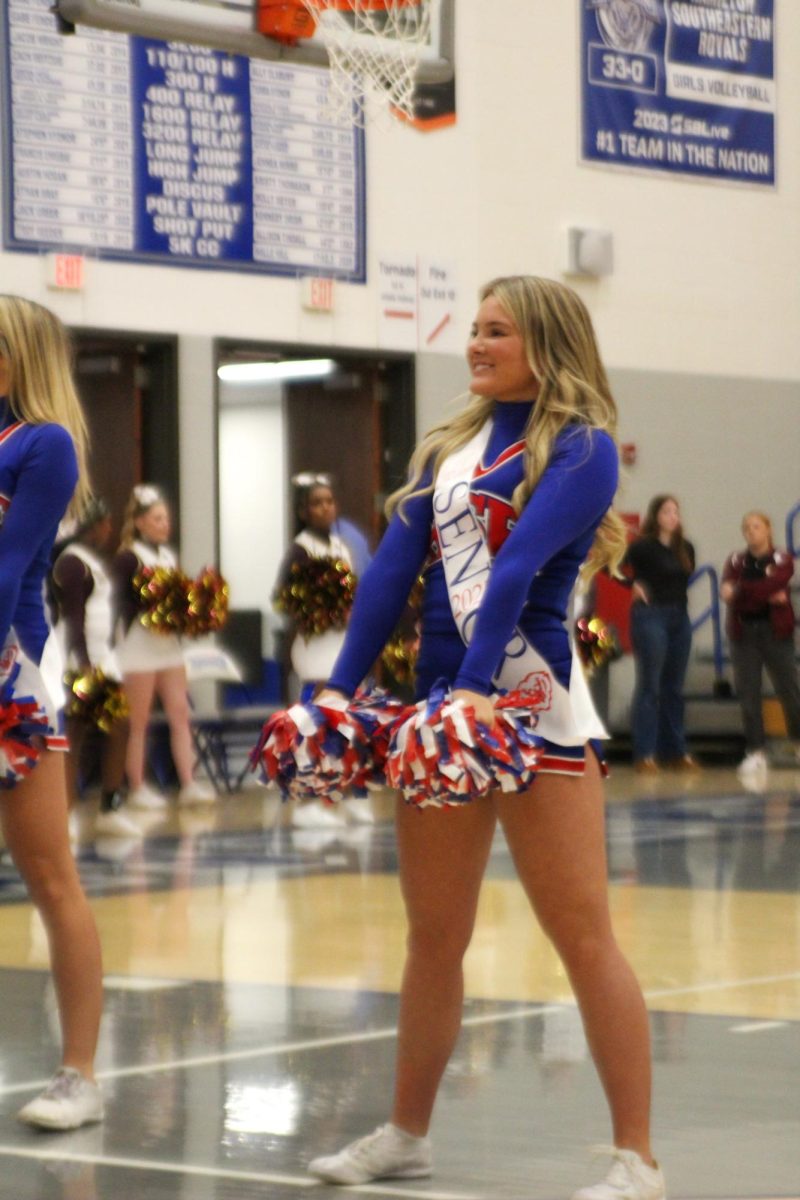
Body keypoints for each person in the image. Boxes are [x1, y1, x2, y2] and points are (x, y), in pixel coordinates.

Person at [307, 276, 665, 1200]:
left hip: (529, 708)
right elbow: (391, 574)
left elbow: (516, 569)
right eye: (473, 329)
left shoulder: (581, 449)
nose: (475, 343)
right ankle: (406, 1135)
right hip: (441, 715)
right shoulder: (450, 445)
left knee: (583, 937)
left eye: (495, 331)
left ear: (545, 345)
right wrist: (334, 695)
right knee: (433, 938)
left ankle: (639, 1159)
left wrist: (475, 691)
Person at [0, 295, 104, 1129]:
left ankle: (80, 1073)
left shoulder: (45, 444)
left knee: (49, 875)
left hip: (14, 673)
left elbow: (5, 572)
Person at [274, 476, 374, 827]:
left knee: (345, 722)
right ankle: (308, 800)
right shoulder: (299, 550)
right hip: (314, 647)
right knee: (315, 724)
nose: (325, 508)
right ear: (303, 511)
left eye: (329, 501)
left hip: (341, 645)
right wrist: (324, 612)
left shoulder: (341, 546)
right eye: (317, 503)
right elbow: (289, 602)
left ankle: (345, 793)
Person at [113, 485, 214, 809]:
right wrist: (151, 609)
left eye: (166, 519)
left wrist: (190, 612)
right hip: (137, 647)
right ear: (140, 522)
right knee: (138, 720)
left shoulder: (169, 557)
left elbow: (177, 598)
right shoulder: (128, 557)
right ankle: (137, 788)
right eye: (157, 519)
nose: (164, 524)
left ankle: (188, 782)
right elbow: (122, 603)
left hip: (168, 646)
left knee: (181, 713)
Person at [51, 496, 141, 839]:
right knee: (73, 735)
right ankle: (65, 817)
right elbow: (74, 617)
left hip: (103, 659)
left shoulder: (92, 560)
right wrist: (84, 664)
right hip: (79, 662)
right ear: (92, 525)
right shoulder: (72, 563)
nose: (109, 528)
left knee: (120, 727)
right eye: (104, 523)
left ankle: (110, 806)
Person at [720, 511, 800, 778]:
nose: (751, 531)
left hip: (776, 632)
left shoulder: (782, 558)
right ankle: (756, 752)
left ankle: (798, 743)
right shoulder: (736, 560)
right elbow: (729, 591)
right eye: (747, 527)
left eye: (756, 526)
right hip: (744, 634)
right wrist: (763, 592)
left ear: (767, 529)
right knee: (749, 693)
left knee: (789, 689)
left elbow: (778, 581)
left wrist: (742, 591)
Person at [625, 495, 700, 774]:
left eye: (676, 511)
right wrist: (631, 585)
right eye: (667, 511)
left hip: (679, 616)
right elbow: (614, 566)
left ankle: (675, 750)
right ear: (656, 515)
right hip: (650, 616)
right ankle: (645, 753)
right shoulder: (643, 546)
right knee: (650, 685)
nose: (673, 516)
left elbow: (684, 580)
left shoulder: (686, 548)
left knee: (674, 687)